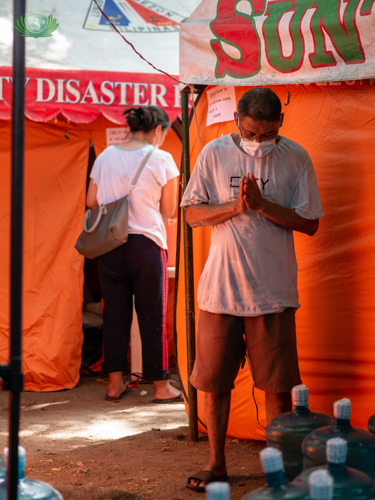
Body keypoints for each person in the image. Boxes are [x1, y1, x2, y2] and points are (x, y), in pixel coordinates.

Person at [181, 88, 324, 491]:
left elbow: (310, 223)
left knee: (278, 388)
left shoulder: (295, 158)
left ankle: (278, 473)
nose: (257, 142)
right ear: (237, 122)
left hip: (273, 292)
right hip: (219, 292)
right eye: (250, 133)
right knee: (214, 384)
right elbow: (192, 214)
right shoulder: (212, 153)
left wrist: (263, 206)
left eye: (266, 134)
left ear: (281, 122)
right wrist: (236, 206)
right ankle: (216, 463)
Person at [86, 105, 182, 403]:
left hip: (111, 246)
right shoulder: (162, 158)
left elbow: (91, 201)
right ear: (157, 130)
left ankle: (114, 384)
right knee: (152, 315)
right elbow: (168, 210)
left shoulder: (105, 156)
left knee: (114, 315)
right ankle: (161, 388)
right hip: (146, 246)